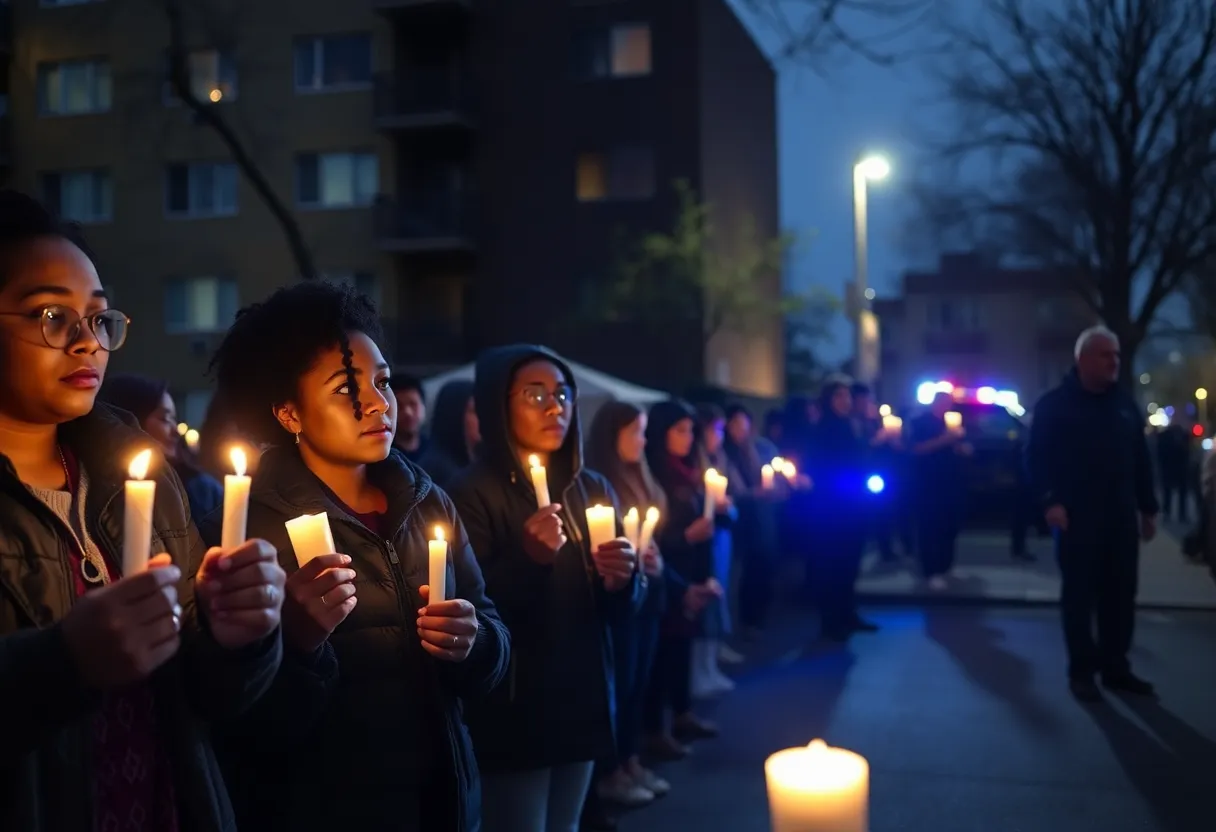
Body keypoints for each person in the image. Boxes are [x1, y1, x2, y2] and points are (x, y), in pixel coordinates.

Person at [0, 189, 286, 832]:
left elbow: (207, 701)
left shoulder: (140, 474)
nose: (87, 342)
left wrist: (239, 636)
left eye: (99, 319)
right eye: (50, 315)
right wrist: (62, 662)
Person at [203, 281, 510, 831]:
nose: (377, 403)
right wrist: (295, 642)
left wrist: (476, 642)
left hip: (444, 803)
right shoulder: (249, 529)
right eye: (346, 387)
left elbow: (493, 641)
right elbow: (238, 718)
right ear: (289, 414)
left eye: (383, 381)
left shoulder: (426, 501)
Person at [448, 344, 641, 832]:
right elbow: (469, 609)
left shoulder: (591, 487)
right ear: (497, 403)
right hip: (517, 708)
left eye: (562, 393)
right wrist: (529, 562)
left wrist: (625, 580)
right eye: (535, 395)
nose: (555, 407)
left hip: (583, 697)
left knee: (567, 825)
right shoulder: (469, 493)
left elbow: (622, 608)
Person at [1028, 325, 1159, 703]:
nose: (1113, 363)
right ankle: (1082, 672)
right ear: (1082, 359)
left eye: (1116, 356)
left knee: (1120, 595)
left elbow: (1140, 459)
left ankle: (1116, 668)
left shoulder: (1123, 405)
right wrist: (1050, 501)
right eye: (1106, 355)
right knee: (1080, 598)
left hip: (1120, 518)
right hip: (1076, 519)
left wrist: (1148, 508)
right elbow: (1036, 459)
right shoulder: (1055, 405)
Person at [585, 400, 671, 814]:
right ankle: (611, 771)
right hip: (622, 604)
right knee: (619, 686)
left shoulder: (641, 477)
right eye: (636, 431)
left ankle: (630, 760)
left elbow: (647, 542)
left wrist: (652, 557)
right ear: (612, 435)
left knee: (638, 684)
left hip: (647, 596)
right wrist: (635, 560)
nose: (644, 439)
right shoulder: (602, 486)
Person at [642, 399, 722, 760]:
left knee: (682, 645)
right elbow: (654, 537)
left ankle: (682, 711)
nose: (689, 438)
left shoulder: (690, 471)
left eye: (691, 431)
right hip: (666, 573)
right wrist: (687, 537)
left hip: (689, 569)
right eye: (680, 430)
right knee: (663, 650)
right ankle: (656, 728)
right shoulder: (656, 474)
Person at [808, 378, 879, 640]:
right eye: (839, 396)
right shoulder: (823, 429)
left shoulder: (852, 425)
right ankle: (831, 621)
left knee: (850, 562)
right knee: (832, 563)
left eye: (847, 396)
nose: (845, 401)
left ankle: (848, 613)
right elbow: (823, 467)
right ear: (828, 400)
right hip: (832, 508)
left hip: (853, 505)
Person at [98, 372, 225, 520]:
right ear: (133, 418)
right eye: (165, 419)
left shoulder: (201, 491)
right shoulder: (95, 490)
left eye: (174, 419)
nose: (176, 431)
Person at [692, 403, 738, 696]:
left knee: (718, 593)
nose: (720, 436)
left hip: (719, 535)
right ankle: (699, 672)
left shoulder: (717, 459)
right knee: (705, 599)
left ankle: (711, 662)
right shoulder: (695, 465)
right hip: (703, 541)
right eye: (717, 430)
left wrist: (726, 506)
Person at [724, 404, 779, 637]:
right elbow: (732, 489)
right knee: (743, 572)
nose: (740, 429)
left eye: (743, 423)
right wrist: (753, 493)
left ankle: (759, 618)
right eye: (734, 424)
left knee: (764, 565)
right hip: (741, 521)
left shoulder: (760, 448)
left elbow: (777, 474)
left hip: (763, 517)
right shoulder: (725, 453)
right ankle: (745, 621)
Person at [908, 390, 971, 590]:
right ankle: (930, 570)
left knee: (949, 526)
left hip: (950, 483)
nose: (947, 406)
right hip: (928, 484)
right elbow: (917, 449)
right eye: (944, 402)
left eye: (949, 403)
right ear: (935, 402)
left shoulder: (950, 422)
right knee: (929, 527)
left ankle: (946, 566)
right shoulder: (920, 422)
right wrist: (946, 439)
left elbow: (955, 446)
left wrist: (961, 448)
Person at [418, 378, 480, 489]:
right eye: (475, 411)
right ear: (455, 415)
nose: (483, 418)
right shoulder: (437, 471)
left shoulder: (469, 464)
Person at [393, 373, 429, 461]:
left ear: (424, 406)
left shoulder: (436, 452)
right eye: (399, 406)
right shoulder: (383, 455)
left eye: (413, 404)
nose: (407, 412)